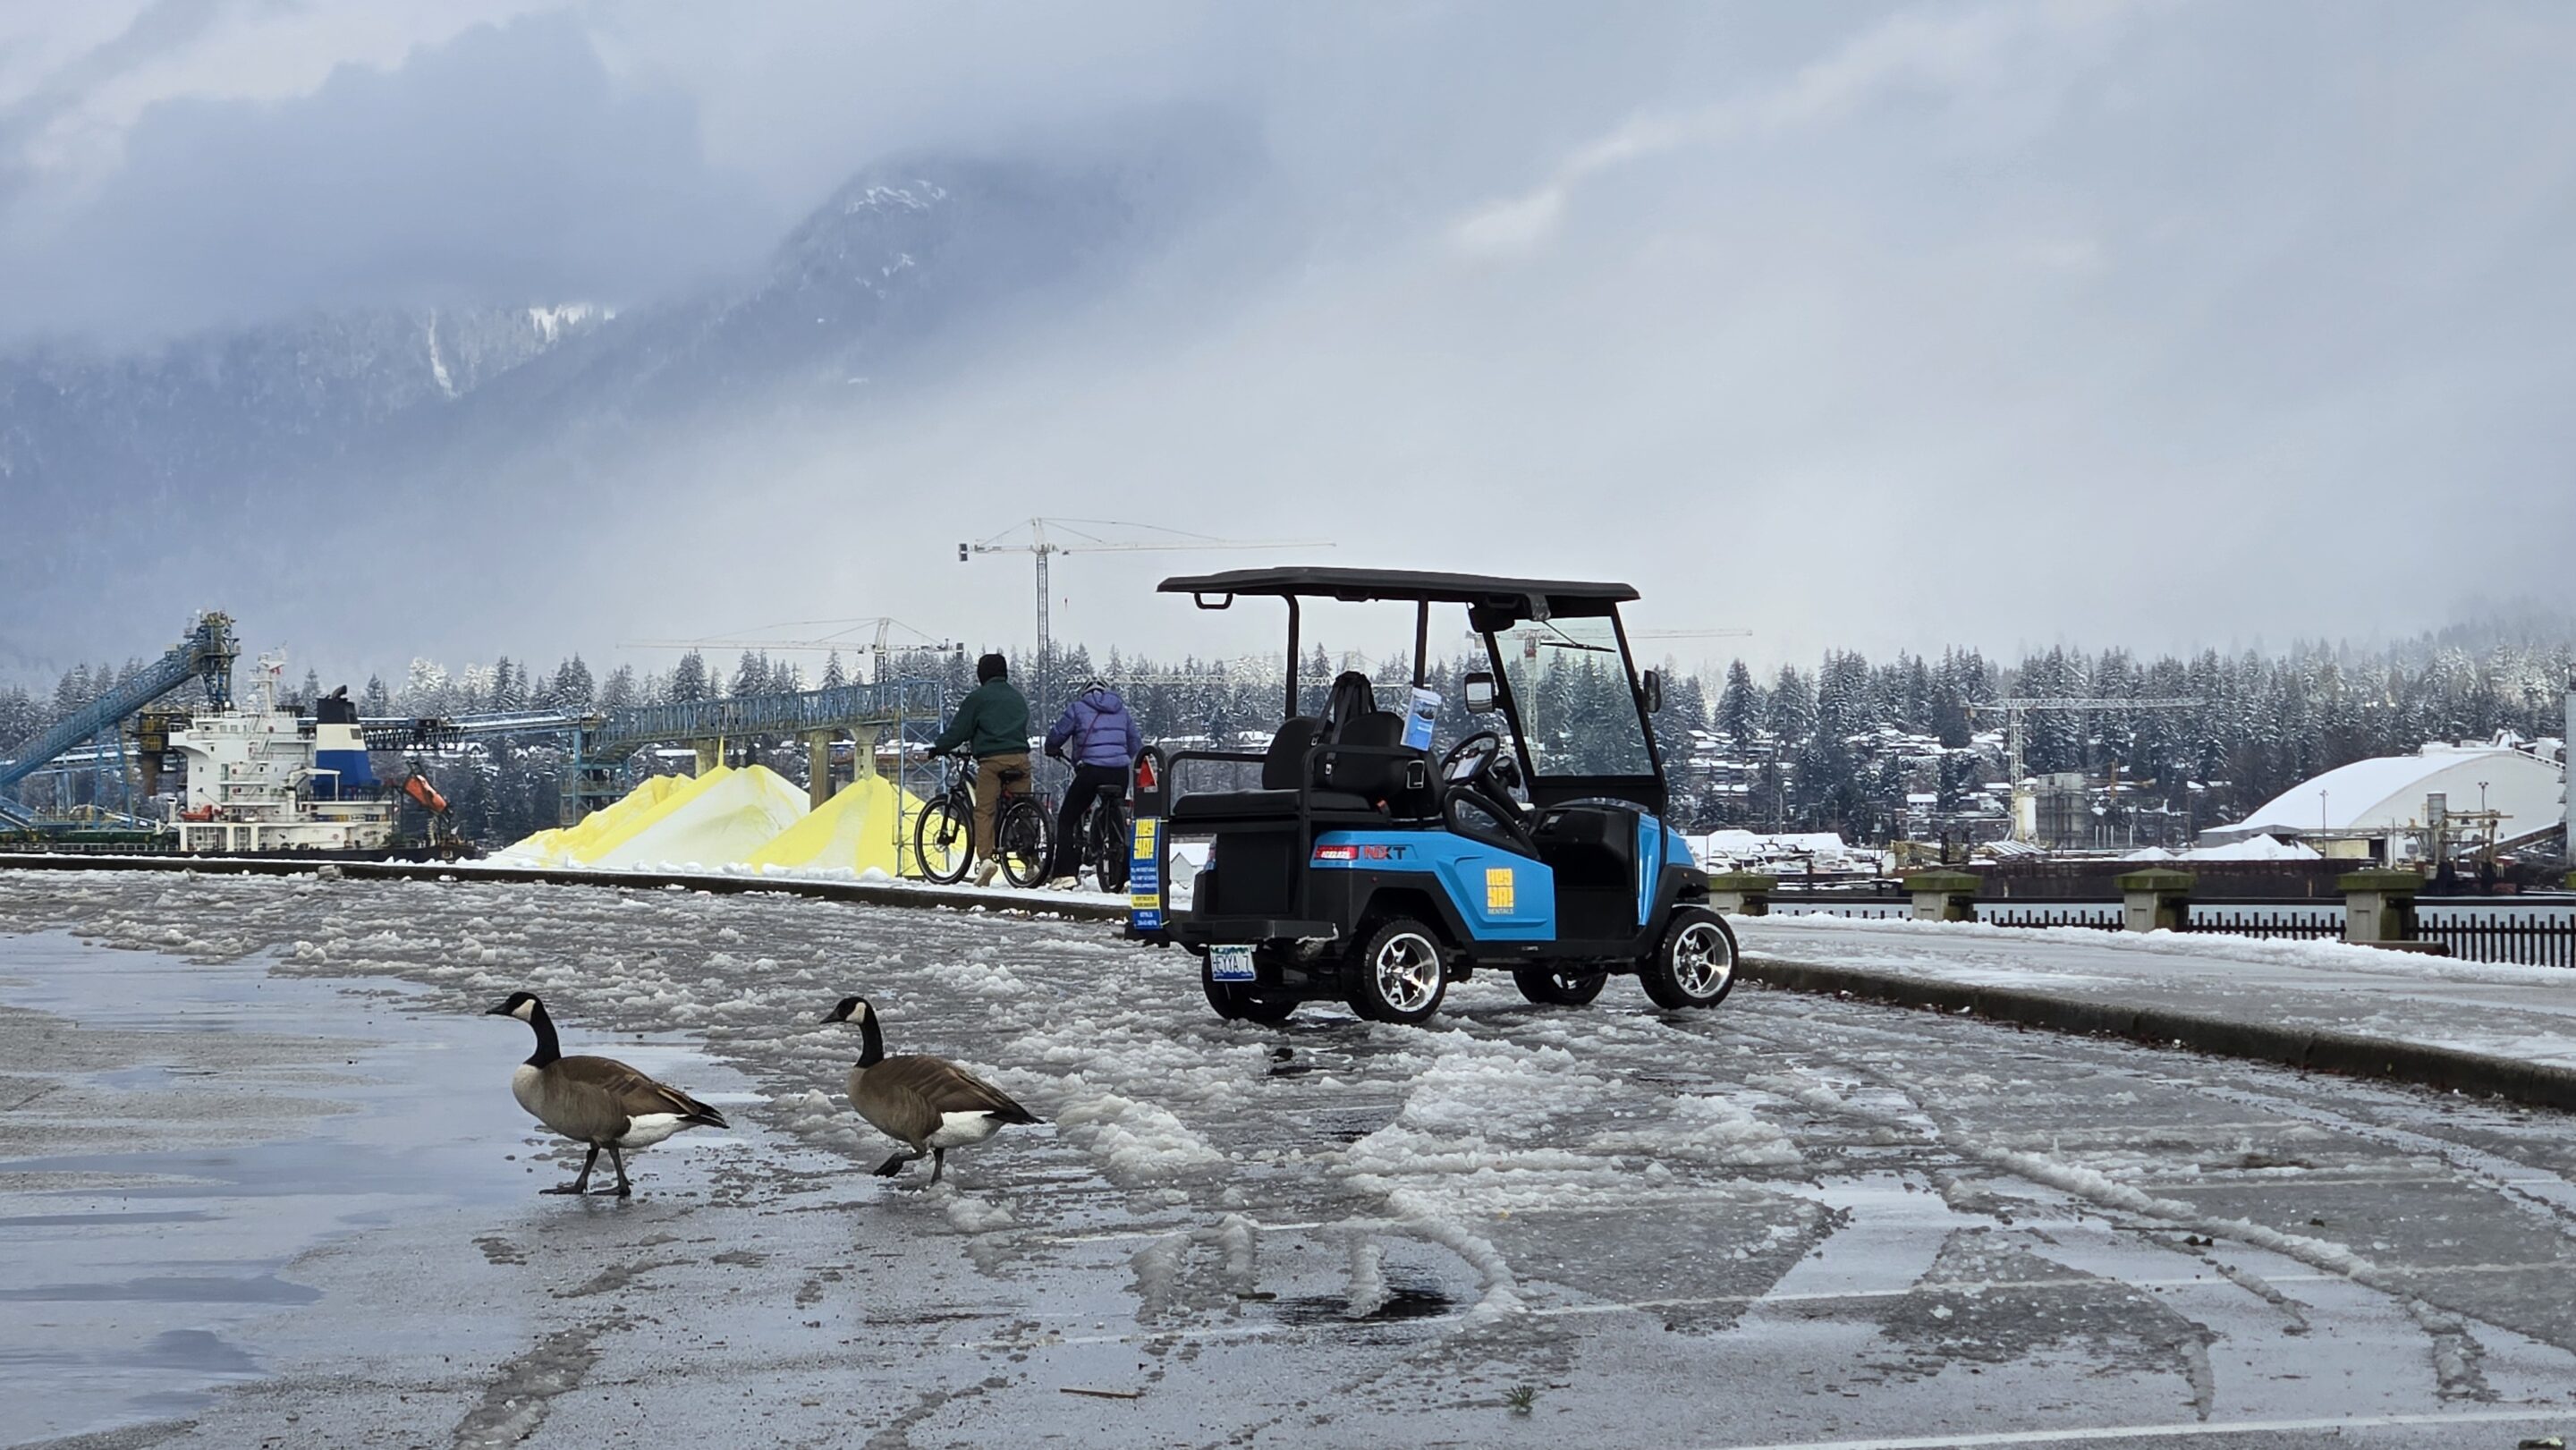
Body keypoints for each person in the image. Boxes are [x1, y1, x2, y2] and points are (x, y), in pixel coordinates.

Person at [923, 653, 1031, 886]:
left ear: (982, 674)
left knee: (984, 811)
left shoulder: (978, 698)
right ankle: (1030, 860)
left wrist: (939, 747)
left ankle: (986, 860)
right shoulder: (1017, 697)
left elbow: (959, 731)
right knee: (1022, 809)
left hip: (993, 762)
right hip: (1021, 760)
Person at [1042, 680, 1142, 888]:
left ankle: (1065, 873)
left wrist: (1051, 747)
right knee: (1114, 811)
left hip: (1092, 770)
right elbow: (1135, 745)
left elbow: (1058, 735)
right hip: (1119, 772)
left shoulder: (1078, 708)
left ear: (1085, 693)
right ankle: (1119, 873)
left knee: (1067, 819)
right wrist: (1118, 758)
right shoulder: (1121, 711)